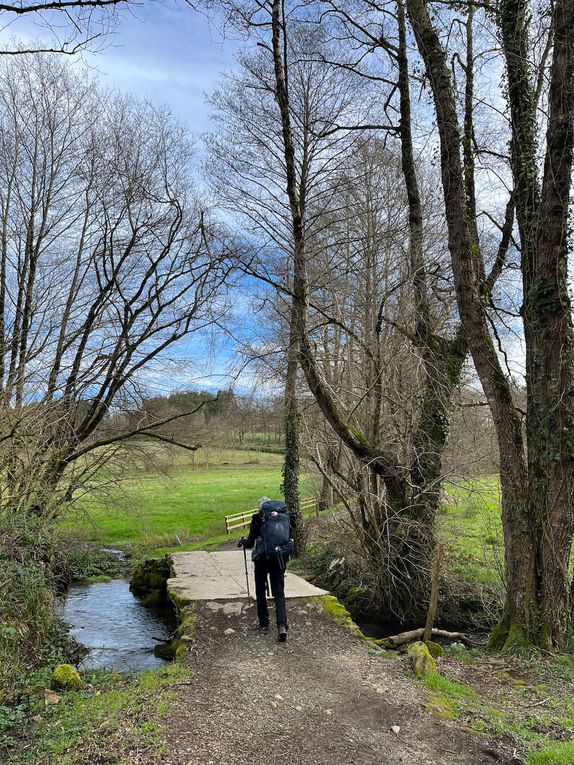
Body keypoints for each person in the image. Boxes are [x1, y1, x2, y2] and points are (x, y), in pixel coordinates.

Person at [239, 497, 293, 643]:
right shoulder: (284, 517)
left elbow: (250, 543)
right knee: (279, 592)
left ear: (260, 508)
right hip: (279, 559)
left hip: (262, 559)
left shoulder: (257, 519)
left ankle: (264, 624)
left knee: (260, 591)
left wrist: (243, 541)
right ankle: (282, 625)